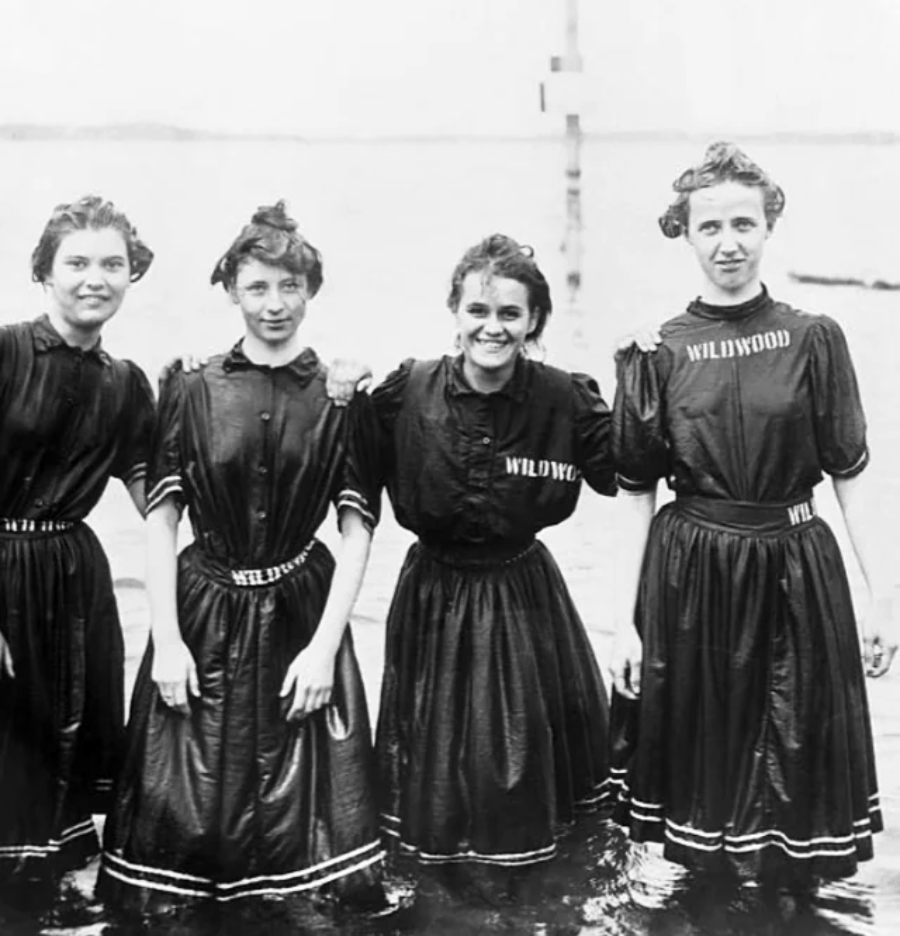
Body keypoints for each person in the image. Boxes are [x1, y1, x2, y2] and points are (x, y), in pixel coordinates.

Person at [608, 142, 896, 890]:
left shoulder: (814, 338)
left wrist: (885, 599)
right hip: (693, 570)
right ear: (686, 232)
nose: (728, 242)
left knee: (796, 774)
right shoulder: (658, 348)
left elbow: (852, 476)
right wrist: (622, 620)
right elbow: (637, 490)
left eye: (744, 223)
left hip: (796, 564)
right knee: (703, 806)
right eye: (710, 227)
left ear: (769, 226)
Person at [97, 202, 385, 914]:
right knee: (181, 832)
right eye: (257, 287)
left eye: (290, 287)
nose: (275, 304)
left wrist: (323, 650)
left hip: (300, 608)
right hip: (203, 611)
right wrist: (165, 640)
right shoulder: (192, 387)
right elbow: (161, 523)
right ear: (231, 289)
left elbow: (357, 531)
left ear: (311, 291)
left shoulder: (340, 395)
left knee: (315, 858)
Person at [372, 234, 616, 879]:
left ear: (534, 321)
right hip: (433, 590)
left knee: (520, 751)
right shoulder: (408, 391)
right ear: (454, 312)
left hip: (523, 593)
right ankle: (440, 881)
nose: (493, 327)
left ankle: (528, 879)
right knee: (436, 751)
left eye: (510, 314)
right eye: (478, 311)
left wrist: (651, 368)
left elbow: (634, 466)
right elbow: (328, 458)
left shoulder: (565, 398)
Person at [0, 196, 156, 904]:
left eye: (113, 264)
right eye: (78, 262)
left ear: (132, 274)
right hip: (3, 568)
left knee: (65, 736)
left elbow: (156, 488)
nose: (96, 278)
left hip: (74, 575)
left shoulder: (125, 384)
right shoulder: (5, 350)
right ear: (44, 272)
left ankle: (46, 889)